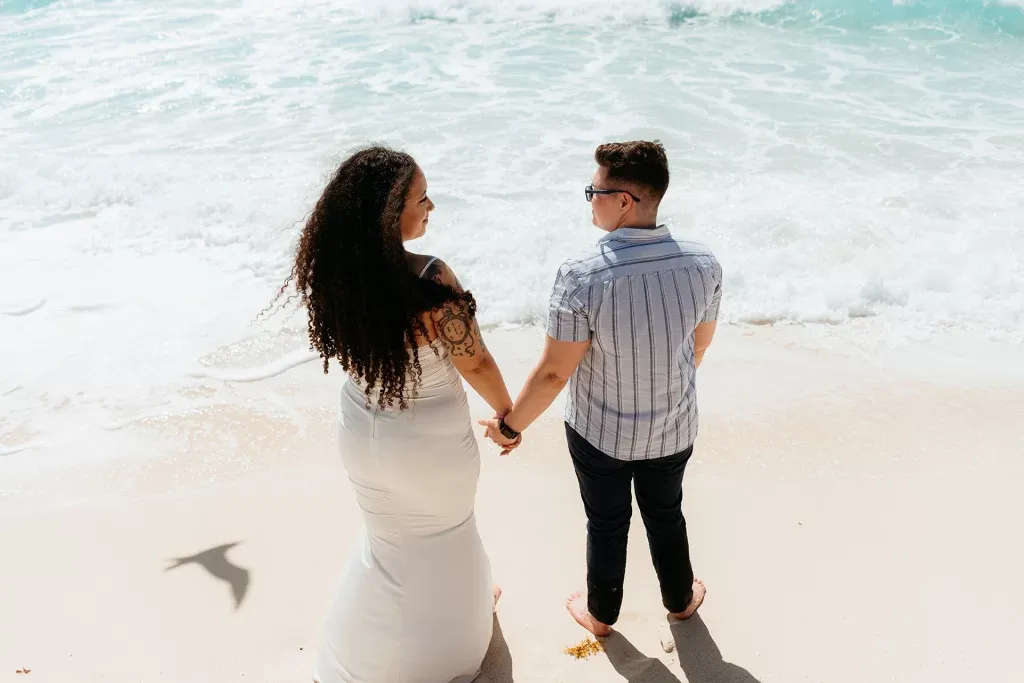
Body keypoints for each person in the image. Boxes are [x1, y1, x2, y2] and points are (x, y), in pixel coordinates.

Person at [278, 146, 516, 683]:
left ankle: (366, 653)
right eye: (420, 197)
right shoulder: (429, 278)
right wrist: (507, 412)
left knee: (387, 544)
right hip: (427, 442)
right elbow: (473, 359)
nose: (431, 205)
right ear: (389, 212)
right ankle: (448, 644)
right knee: (445, 535)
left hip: (362, 429)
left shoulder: (334, 274)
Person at [480, 140, 722, 637]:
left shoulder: (582, 275)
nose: (590, 199)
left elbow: (554, 373)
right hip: (672, 427)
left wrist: (509, 426)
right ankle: (679, 602)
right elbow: (697, 348)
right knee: (666, 513)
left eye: (595, 190)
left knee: (607, 523)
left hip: (600, 433)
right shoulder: (703, 265)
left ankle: (602, 616)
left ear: (625, 200)